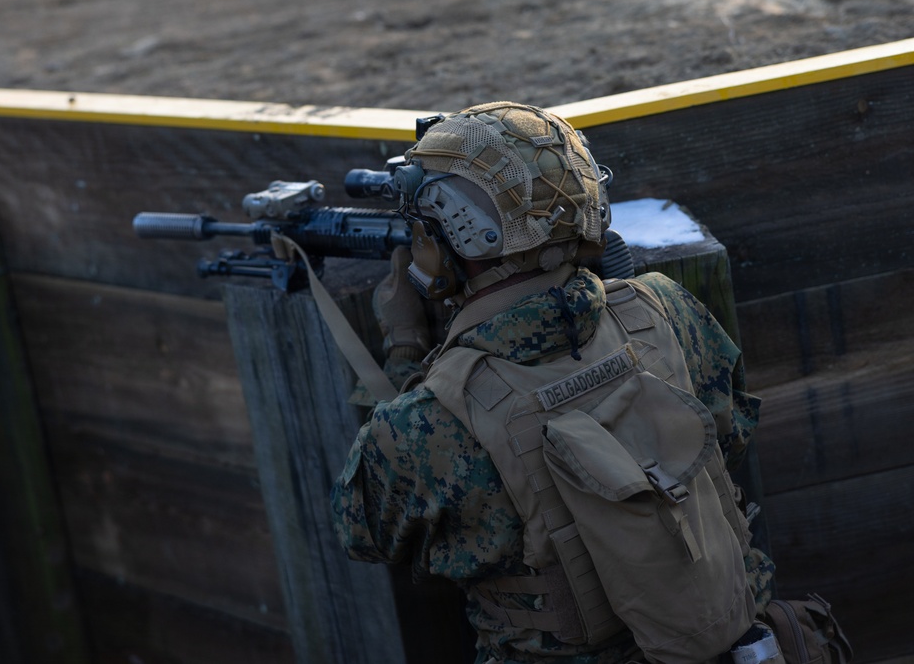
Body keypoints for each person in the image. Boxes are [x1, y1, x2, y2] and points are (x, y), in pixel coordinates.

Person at [330, 102, 775, 664]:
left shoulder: (425, 421)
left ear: (451, 240)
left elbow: (367, 534)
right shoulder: (665, 309)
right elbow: (728, 434)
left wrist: (403, 349)